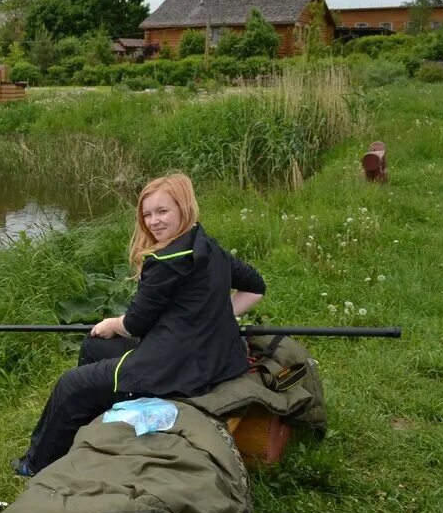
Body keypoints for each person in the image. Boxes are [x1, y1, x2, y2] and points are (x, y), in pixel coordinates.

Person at [16, 173, 265, 475]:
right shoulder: (207, 245)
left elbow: (135, 324)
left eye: (163, 211)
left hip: (178, 368)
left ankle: (35, 464)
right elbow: (256, 287)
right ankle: (96, 426)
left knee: (71, 385)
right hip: (216, 358)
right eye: (147, 214)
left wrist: (112, 322)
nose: (154, 221)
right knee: (95, 346)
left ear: (183, 208)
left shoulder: (166, 260)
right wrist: (207, 316)